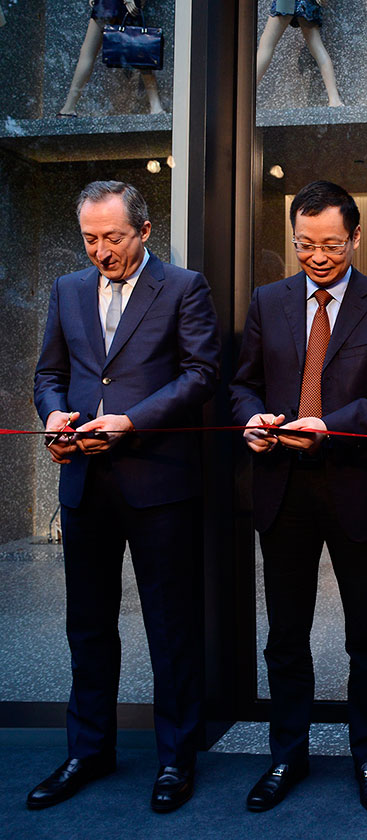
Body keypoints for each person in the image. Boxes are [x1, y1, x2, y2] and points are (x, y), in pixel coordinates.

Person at [30, 180, 220, 813]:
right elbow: (51, 374)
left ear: (144, 230)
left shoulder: (182, 287)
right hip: (84, 480)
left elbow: (201, 375)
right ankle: (88, 750)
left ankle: (175, 758)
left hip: (157, 481)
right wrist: (56, 417)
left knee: (170, 627)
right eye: (90, 238)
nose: (101, 251)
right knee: (87, 625)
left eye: (113, 237)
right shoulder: (69, 289)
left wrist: (132, 421)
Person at [230, 180, 367, 813]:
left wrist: (330, 427)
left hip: (352, 484)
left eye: (331, 244)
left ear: (355, 238)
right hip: (281, 487)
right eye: (305, 244)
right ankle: (287, 755)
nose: (317, 256)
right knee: (285, 633)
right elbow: (242, 383)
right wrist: (252, 419)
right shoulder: (268, 300)